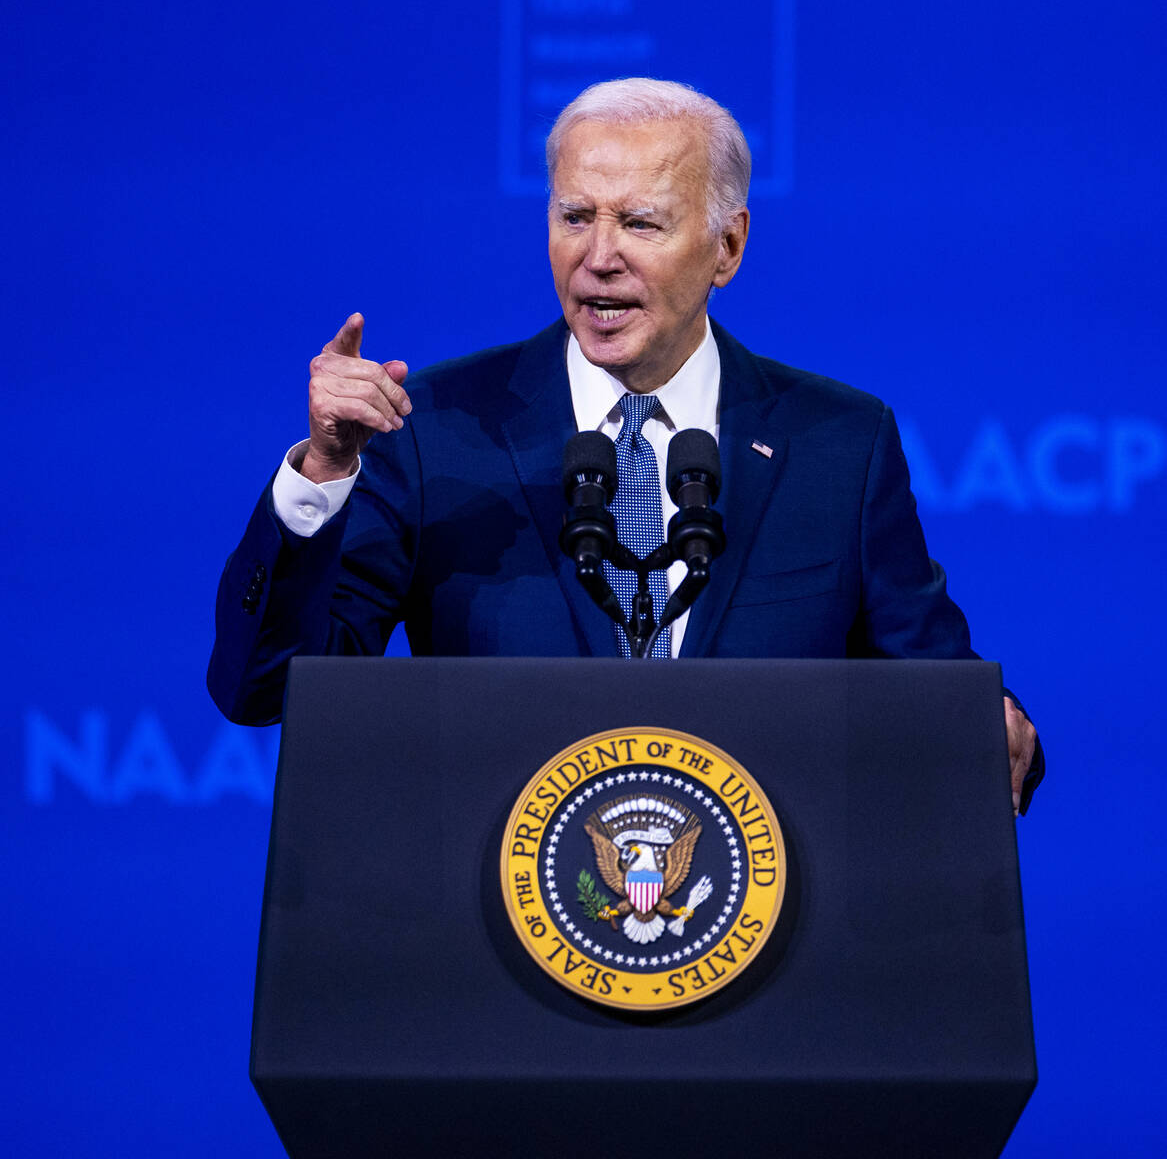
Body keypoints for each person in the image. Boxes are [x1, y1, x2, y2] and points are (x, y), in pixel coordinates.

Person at [208, 78, 1042, 813]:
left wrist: (992, 725)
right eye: (575, 217)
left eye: (640, 223)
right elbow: (268, 688)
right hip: (496, 937)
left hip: (761, 940)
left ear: (728, 246)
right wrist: (323, 473)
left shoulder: (837, 441)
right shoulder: (433, 427)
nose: (597, 258)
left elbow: (929, 680)